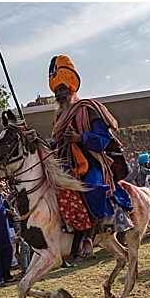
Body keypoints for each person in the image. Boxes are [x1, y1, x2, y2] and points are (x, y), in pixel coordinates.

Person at [48, 55, 133, 257]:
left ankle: (89, 235)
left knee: (92, 187)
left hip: (92, 161)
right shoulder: (58, 118)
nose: (60, 94)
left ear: (72, 89)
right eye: (57, 91)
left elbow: (103, 139)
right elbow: (58, 144)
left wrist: (80, 137)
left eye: (63, 90)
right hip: (66, 164)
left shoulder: (87, 108)